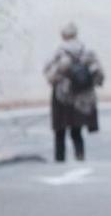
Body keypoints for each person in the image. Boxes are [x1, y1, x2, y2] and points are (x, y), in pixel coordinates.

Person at [43, 23, 102, 163]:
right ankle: (80, 154)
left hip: (62, 95)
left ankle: (60, 157)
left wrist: (57, 80)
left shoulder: (59, 51)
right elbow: (98, 74)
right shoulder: (87, 51)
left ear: (63, 35)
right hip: (82, 95)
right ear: (76, 34)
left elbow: (49, 72)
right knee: (77, 129)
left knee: (60, 129)